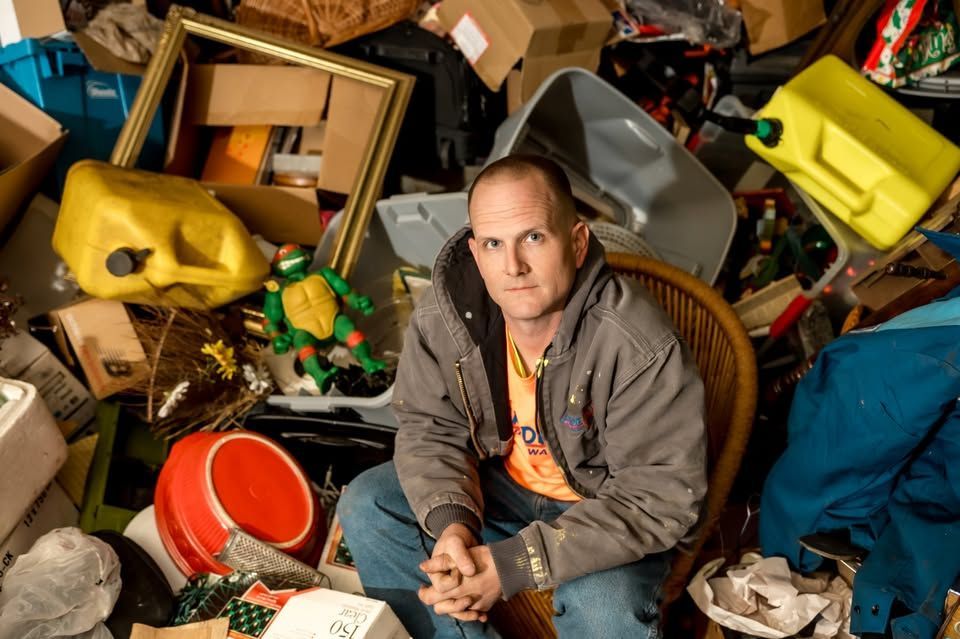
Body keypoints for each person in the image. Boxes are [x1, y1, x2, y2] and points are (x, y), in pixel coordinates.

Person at [337, 154, 707, 638]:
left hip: (602, 509)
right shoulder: (444, 318)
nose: (513, 266)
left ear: (576, 243)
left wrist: (515, 564)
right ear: (476, 253)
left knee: (601, 606)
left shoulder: (636, 341)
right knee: (368, 504)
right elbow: (430, 429)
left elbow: (656, 499)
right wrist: (452, 524)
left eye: (533, 237)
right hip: (502, 490)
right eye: (493, 244)